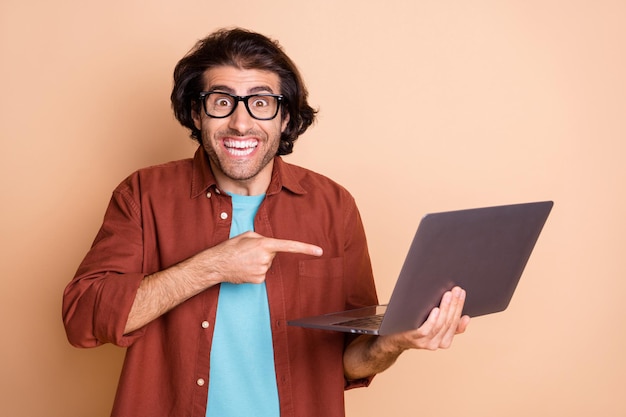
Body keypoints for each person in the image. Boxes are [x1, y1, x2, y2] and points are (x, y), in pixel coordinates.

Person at [62, 27, 470, 417]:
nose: (241, 123)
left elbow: (345, 364)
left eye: (261, 103)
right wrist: (211, 266)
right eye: (222, 101)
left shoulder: (334, 206)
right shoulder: (142, 194)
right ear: (196, 112)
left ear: (286, 118)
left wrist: (393, 343)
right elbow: (83, 319)